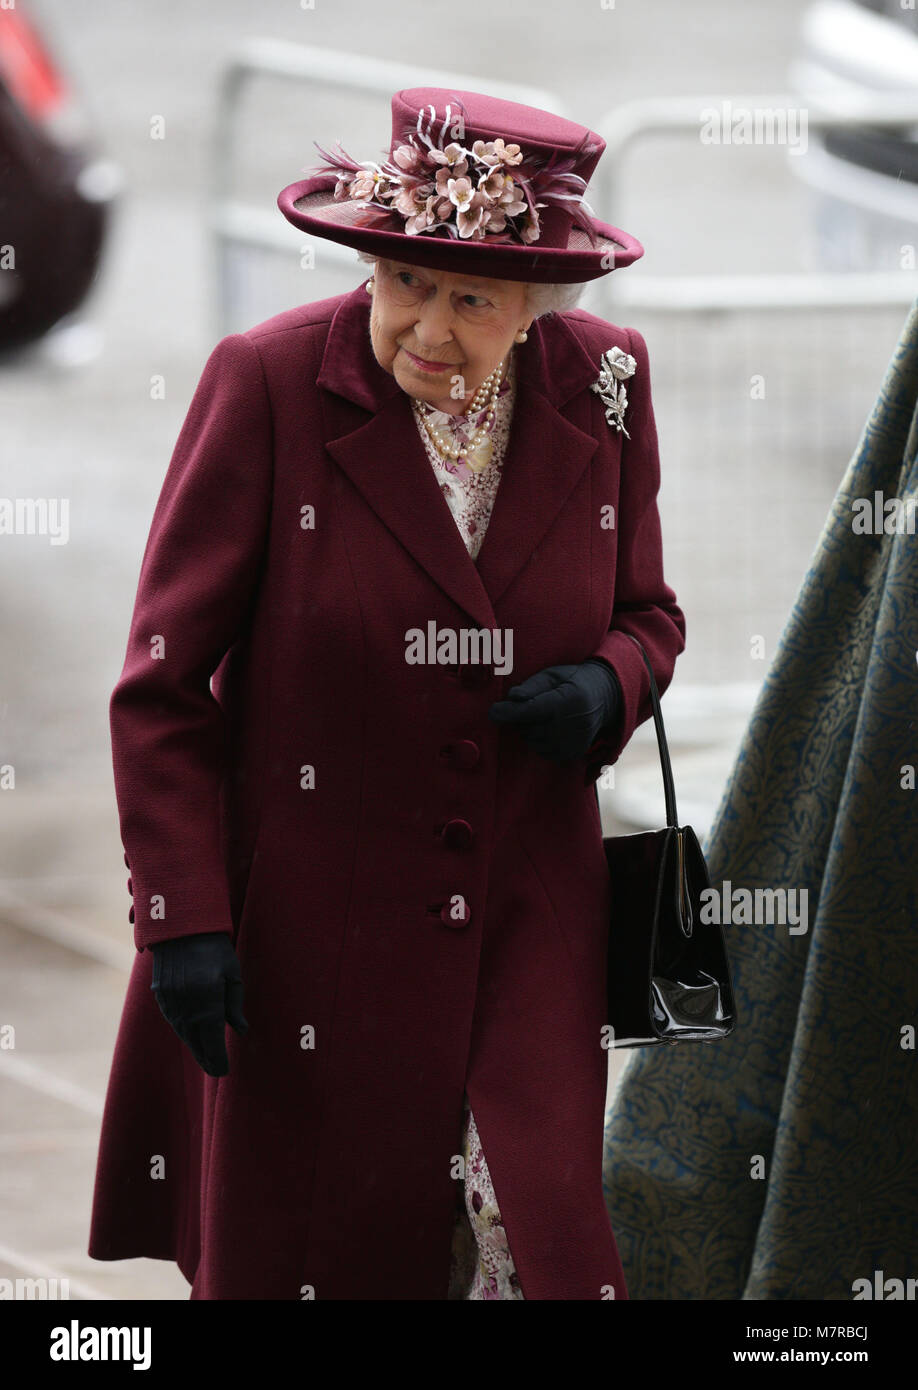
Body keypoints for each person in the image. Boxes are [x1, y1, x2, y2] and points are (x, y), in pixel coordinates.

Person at [87, 86, 686, 1301]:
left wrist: (609, 684)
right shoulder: (264, 384)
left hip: (530, 920)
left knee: (538, 1245)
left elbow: (650, 614)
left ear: (540, 305)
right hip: (312, 938)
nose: (425, 325)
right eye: (401, 280)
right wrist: (182, 920)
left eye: (471, 296)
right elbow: (161, 685)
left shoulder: (605, 382)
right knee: (325, 1252)